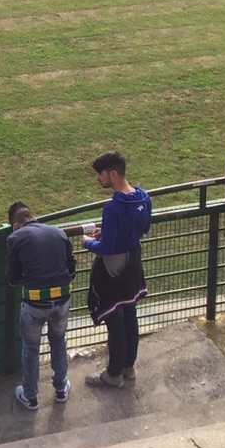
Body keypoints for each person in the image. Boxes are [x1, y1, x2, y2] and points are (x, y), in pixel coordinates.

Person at [82, 151, 152, 388]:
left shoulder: (112, 207)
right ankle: (128, 367)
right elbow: (144, 228)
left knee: (115, 319)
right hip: (133, 262)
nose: (97, 179)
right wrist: (112, 232)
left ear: (112, 174)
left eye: (99, 174)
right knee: (130, 314)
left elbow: (108, 247)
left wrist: (87, 242)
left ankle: (113, 374)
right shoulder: (143, 197)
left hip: (112, 269)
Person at [6, 202, 76, 410]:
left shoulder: (15, 238)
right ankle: (61, 389)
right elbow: (71, 268)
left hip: (34, 304)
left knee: (30, 348)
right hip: (62, 300)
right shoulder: (59, 232)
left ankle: (30, 396)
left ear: (16, 224)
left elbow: (12, 278)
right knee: (59, 341)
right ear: (33, 217)